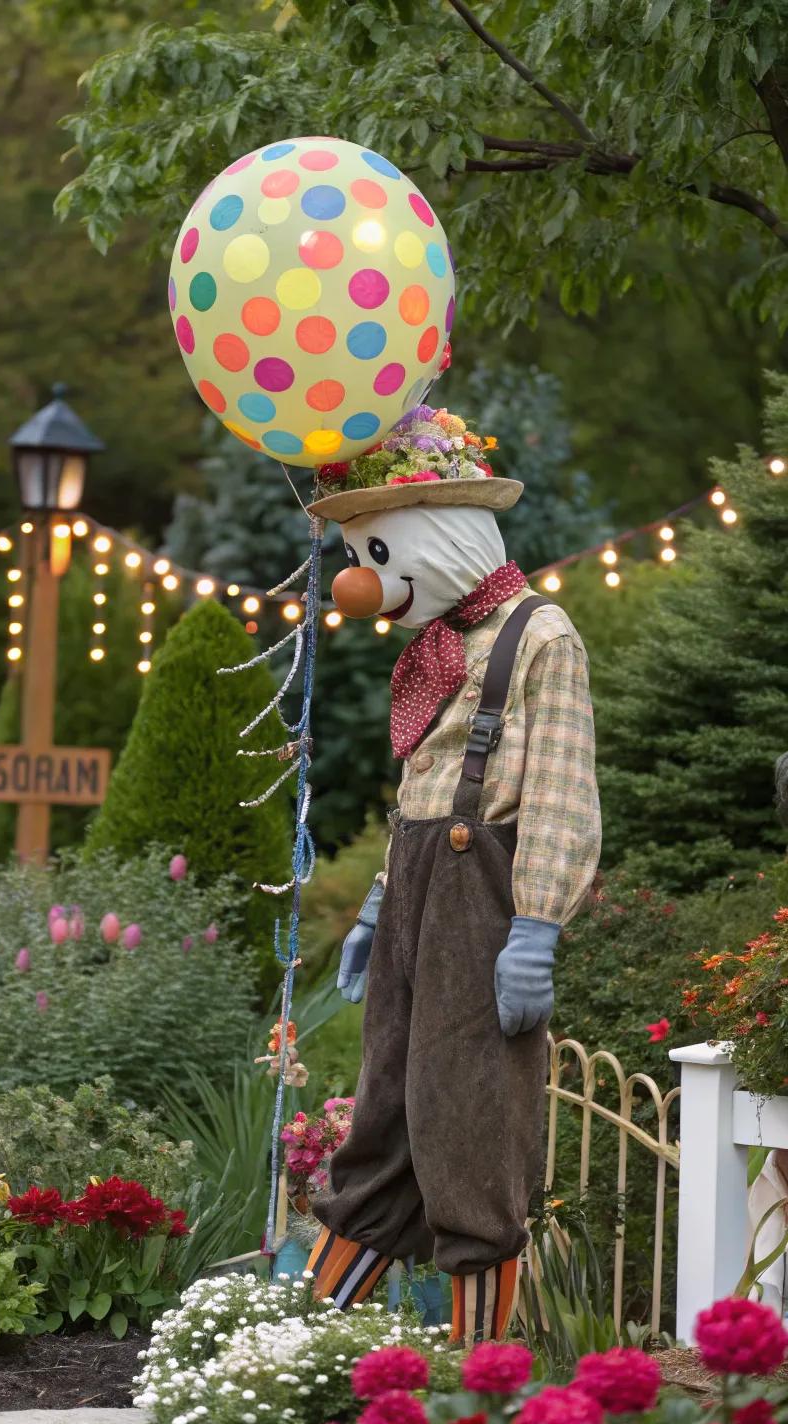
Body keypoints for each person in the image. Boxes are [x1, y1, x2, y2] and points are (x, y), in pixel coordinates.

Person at [304, 406, 601, 1343]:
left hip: (487, 898)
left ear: (438, 538)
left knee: (469, 1118)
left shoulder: (540, 637)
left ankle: (484, 1372)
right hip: (419, 889)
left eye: (379, 553)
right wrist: (378, 907)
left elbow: (562, 793)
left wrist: (536, 929)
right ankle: (307, 1337)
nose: (360, 581)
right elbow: (422, 789)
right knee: (385, 1107)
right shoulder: (440, 645)